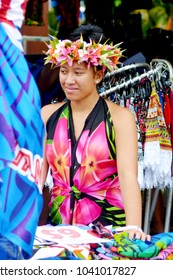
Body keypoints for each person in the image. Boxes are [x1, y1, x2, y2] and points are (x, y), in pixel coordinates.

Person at [40, 24, 150, 241]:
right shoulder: (47, 116)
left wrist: (133, 228)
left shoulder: (120, 118)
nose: (68, 80)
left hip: (108, 233)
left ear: (98, 75)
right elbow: (36, 178)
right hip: (59, 232)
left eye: (78, 72)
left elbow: (128, 177)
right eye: (64, 71)